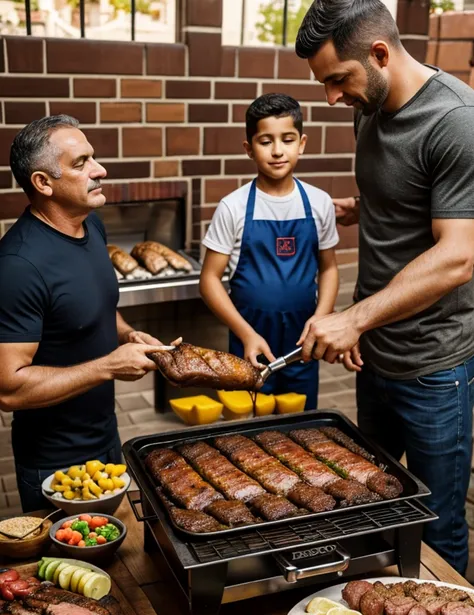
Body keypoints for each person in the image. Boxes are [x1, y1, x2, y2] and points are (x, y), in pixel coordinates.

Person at [294, 0, 474, 573]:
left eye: (336, 80)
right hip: (374, 355)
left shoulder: (457, 122)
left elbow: (457, 256)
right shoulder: (366, 104)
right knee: (368, 500)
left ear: (379, 54)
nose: (330, 98)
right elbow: (401, 191)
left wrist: (352, 319)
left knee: (435, 520)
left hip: (434, 366)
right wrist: (362, 207)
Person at [0, 115, 171, 512]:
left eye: (93, 157)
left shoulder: (91, 227)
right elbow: (8, 388)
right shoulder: (18, 265)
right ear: (44, 183)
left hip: (105, 439)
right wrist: (108, 367)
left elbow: (96, 310)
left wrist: (128, 336)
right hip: (54, 463)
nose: (100, 170)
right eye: (81, 163)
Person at [199, 93, 339, 409]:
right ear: (249, 148)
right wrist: (245, 333)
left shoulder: (319, 203)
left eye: (287, 140)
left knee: (302, 425)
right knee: (250, 428)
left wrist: (320, 320)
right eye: (265, 141)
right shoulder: (232, 207)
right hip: (249, 340)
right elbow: (209, 281)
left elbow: (329, 268)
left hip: (302, 343)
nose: (277, 150)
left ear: (301, 143)